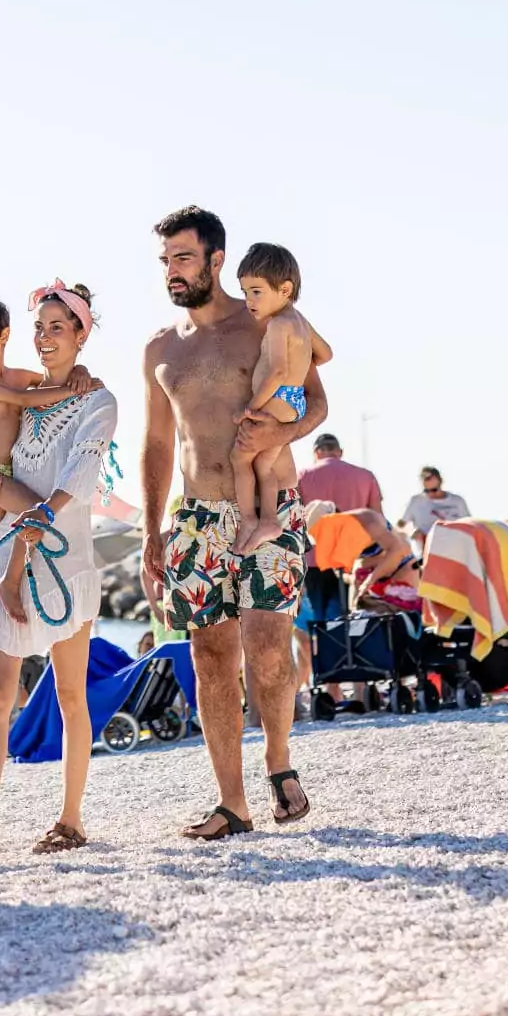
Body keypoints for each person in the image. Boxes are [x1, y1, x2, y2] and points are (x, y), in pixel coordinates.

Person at [140, 206, 325, 841]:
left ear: (217, 260)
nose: (171, 270)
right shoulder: (161, 349)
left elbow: (318, 401)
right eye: (165, 260)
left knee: (269, 648)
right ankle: (232, 802)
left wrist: (285, 427)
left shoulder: (263, 323)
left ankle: (279, 763)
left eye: (183, 258)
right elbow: (158, 445)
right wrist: (149, 530)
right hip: (193, 514)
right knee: (209, 655)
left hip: (271, 507)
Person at [0, 281, 118, 860]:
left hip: (67, 563)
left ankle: (70, 821)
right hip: (7, 554)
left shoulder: (97, 400)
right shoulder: (24, 390)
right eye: (38, 326)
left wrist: (45, 514)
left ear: (81, 332)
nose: (44, 337)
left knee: (71, 695)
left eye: (56, 327)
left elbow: (81, 475)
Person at [0, 292, 101, 624]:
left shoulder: (17, 374)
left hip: (10, 471)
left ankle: (3, 587)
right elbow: (23, 399)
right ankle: (8, 584)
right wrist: (77, 391)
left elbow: (50, 380)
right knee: (34, 510)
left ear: (4, 335)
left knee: (4, 535)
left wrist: (82, 371)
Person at [229, 244, 333, 556]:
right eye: (245, 292)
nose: (249, 301)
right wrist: (302, 359)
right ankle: (270, 521)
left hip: (277, 398)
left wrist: (252, 407)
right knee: (264, 465)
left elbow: (276, 370)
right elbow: (326, 354)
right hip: (294, 401)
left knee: (239, 459)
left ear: (284, 289)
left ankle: (248, 519)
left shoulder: (277, 325)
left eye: (256, 292)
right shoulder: (299, 320)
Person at [296, 433, 383, 516]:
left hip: (315, 530)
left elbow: (293, 515)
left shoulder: (302, 476)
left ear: (316, 453)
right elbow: (378, 517)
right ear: (340, 452)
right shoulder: (366, 476)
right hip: (354, 530)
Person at [399, 467, 471, 553]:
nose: (431, 494)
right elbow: (401, 525)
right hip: (427, 551)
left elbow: (469, 525)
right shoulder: (416, 501)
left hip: (453, 548)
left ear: (441, 483)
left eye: (434, 490)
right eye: (427, 491)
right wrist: (412, 532)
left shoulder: (457, 501)